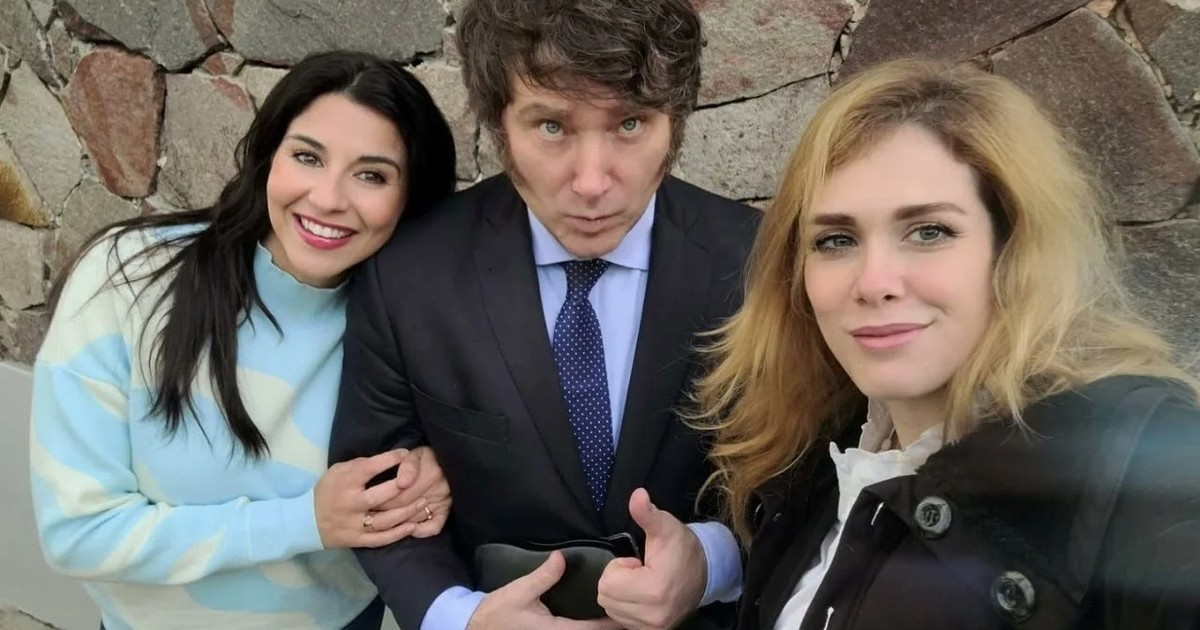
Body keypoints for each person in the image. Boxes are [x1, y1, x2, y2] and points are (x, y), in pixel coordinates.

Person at [693, 58, 1200, 629]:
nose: (874, 282)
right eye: (836, 240)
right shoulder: (814, 458)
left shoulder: (1138, 467)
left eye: (929, 231)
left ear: (1013, 249)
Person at [327, 1, 760, 629]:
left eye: (630, 123)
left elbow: (802, 481)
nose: (591, 182)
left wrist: (710, 561)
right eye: (552, 127)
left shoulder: (757, 263)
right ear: (498, 123)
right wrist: (463, 618)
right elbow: (381, 494)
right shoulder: (408, 274)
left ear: (676, 121)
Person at [30, 51, 458, 630]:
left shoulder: (418, 318)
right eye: (307, 157)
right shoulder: (128, 276)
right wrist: (304, 522)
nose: (328, 198)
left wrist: (442, 468)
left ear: (412, 197)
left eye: (372, 175)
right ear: (268, 156)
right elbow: (77, 533)